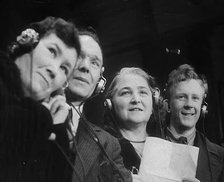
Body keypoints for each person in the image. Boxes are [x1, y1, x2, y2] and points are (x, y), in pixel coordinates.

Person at [0, 16, 80, 181]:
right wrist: (42, 118)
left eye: (64, 68)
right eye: (52, 51)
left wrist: (57, 130)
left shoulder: (51, 122)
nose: (54, 70)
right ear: (27, 41)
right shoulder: (39, 118)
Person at [51, 29, 132, 182]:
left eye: (94, 63)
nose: (85, 67)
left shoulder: (109, 144)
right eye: (77, 57)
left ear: (100, 82)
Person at [163, 64, 224, 182]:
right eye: (181, 97)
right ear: (168, 105)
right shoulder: (146, 147)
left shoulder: (220, 157)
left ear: (202, 107)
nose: (189, 104)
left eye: (195, 98)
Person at [103, 67, 161, 173]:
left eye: (143, 92)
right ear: (110, 104)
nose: (136, 100)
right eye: (126, 93)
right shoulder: (101, 148)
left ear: (154, 103)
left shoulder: (165, 146)